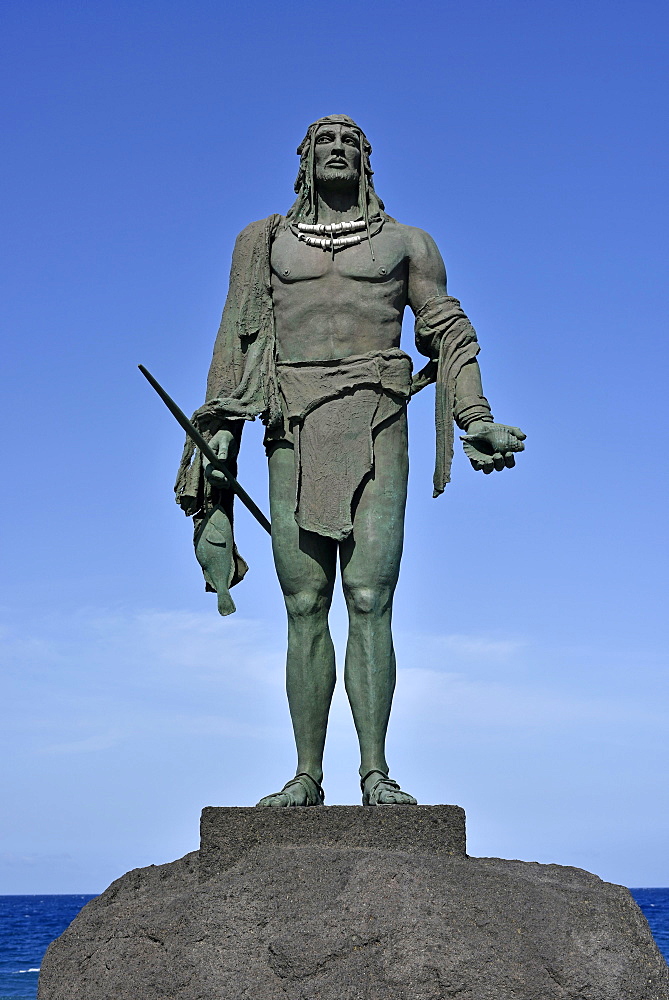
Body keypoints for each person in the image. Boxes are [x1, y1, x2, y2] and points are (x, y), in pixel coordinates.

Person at [175, 115, 526, 807]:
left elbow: (446, 326)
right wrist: (218, 440)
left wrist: (473, 417)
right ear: (303, 160)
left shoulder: (405, 242)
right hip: (289, 421)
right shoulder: (264, 243)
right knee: (303, 601)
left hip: (377, 417)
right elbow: (236, 343)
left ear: (367, 161)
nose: (337, 150)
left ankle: (374, 773)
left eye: (350, 143)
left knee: (369, 598)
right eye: (323, 142)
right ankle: (306, 775)